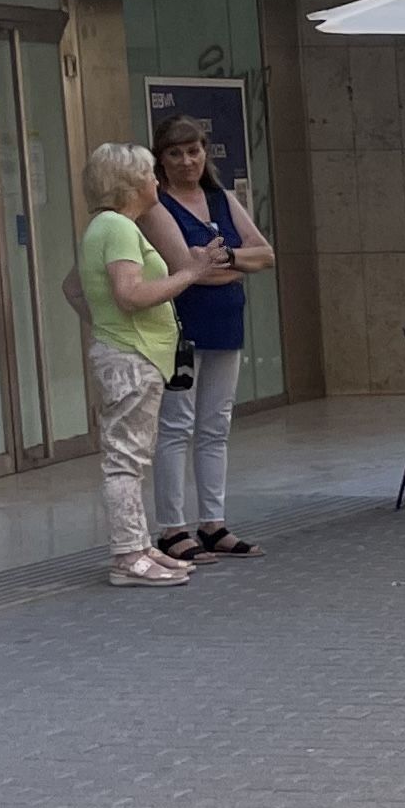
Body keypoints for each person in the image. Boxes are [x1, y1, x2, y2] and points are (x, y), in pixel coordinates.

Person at [72, 142, 234, 591]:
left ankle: (140, 547)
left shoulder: (105, 228)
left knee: (132, 456)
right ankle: (128, 555)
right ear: (129, 184)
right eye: (149, 174)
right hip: (132, 356)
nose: (156, 182)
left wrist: (105, 328)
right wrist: (191, 274)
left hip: (125, 351)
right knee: (125, 460)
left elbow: (74, 288)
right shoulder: (119, 228)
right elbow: (129, 293)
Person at [143, 113, 275, 561]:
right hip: (182, 328)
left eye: (194, 151)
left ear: (206, 152)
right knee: (176, 426)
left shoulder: (219, 198)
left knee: (216, 426)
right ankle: (172, 529)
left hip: (226, 326)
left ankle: (213, 524)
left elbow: (266, 253)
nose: (187, 161)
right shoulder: (157, 205)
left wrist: (230, 257)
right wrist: (232, 269)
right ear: (160, 160)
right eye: (175, 153)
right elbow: (188, 270)